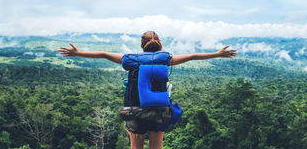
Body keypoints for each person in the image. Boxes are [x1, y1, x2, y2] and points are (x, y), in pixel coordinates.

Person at [59, 31, 237, 149]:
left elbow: (104, 54)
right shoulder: (165, 58)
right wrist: (217, 54)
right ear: (159, 44)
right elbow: (192, 56)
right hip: (159, 111)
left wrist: (78, 53)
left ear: (142, 45)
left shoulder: (130, 59)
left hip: (134, 110)